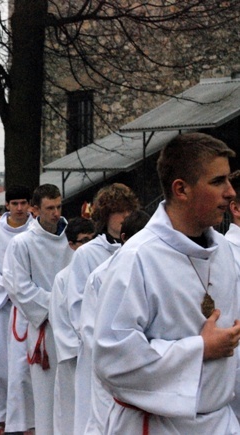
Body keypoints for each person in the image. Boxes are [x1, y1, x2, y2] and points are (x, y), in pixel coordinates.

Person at [93, 132, 240, 433]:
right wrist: (198, 349)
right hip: (158, 424)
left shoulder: (224, 252)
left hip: (220, 422)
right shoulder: (138, 258)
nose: (230, 192)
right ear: (181, 189)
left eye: (229, 180)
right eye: (218, 181)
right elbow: (112, 358)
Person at [63, 183, 139, 434]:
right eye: (119, 212)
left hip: (130, 349)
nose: (125, 218)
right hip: (100, 351)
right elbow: (76, 305)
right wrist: (102, 346)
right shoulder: (87, 254)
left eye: (129, 212)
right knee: (99, 415)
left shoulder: (139, 250)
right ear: (105, 216)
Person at [4, 184, 74, 435]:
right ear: (35, 210)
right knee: (45, 396)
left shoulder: (72, 238)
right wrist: (58, 304)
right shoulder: (22, 243)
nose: (56, 213)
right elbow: (18, 287)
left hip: (73, 326)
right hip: (44, 327)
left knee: (71, 393)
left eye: (59, 206)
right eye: (50, 208)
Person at [80, 210, 149, 434]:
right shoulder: (101, 276)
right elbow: (91, 332)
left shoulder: (154, 272)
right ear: (124, 238)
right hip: (113, 374)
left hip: (147, 374)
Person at [0, 185, 35, 435]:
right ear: (7, 206)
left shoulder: (38, 229)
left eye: (24, 203)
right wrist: (11, 287)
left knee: (25, 364)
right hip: (3, 307)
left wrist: (25, 291)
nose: (20, 208)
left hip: (29, 307)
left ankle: (27, 418)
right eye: (15, 204)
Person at [48, 217, 95, 435]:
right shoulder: (63, 278)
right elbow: (60, 321)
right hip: (74, 359)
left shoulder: (103, 271)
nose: (87, 246)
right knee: (70, 413)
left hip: (96, 358)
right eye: (83, 241)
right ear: (72, 245)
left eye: (92, 240)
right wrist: (81, 348)